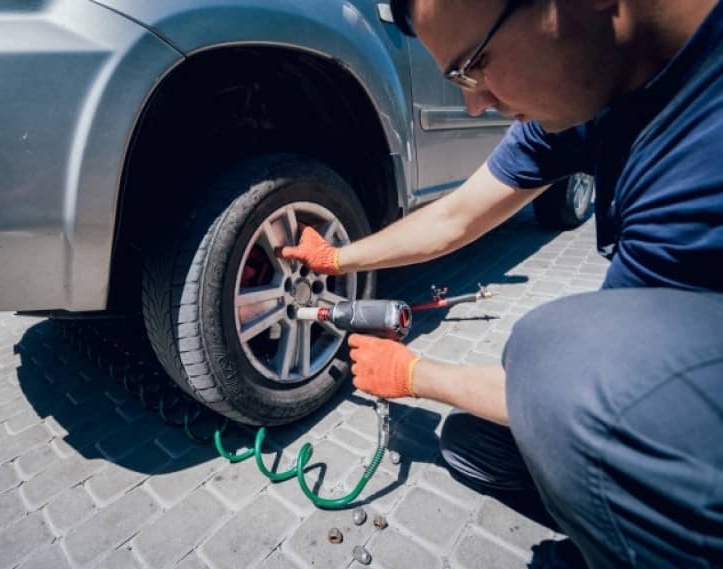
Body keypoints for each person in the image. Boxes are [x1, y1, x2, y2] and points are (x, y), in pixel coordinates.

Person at [279, 0, 723, 567]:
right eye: (460, 78)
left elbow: (613, 393)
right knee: (472, 445)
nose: (474, 102)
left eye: (476, 63)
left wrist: (416, 374)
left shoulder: (703, 162)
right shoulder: (595, 80)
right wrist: (336, 259)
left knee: (550, 357)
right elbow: (455, 217)